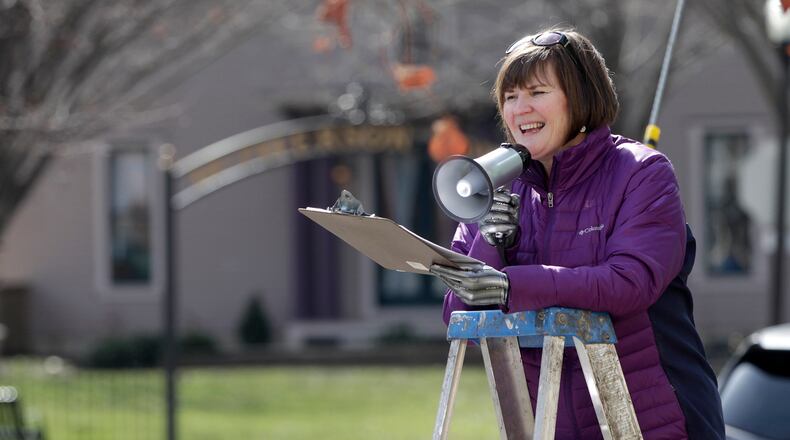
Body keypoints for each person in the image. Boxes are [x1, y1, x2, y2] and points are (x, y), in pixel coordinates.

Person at [430, 28, 725, 439]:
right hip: (549, 423)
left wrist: (510, 284)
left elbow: (629, 283)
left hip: (651, 419)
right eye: (511, 97)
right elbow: (460, 314)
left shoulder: (641, 173)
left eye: (537, 92)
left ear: (581, 95)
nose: (520, 109)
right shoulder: (497, 183)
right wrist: (491, 241)